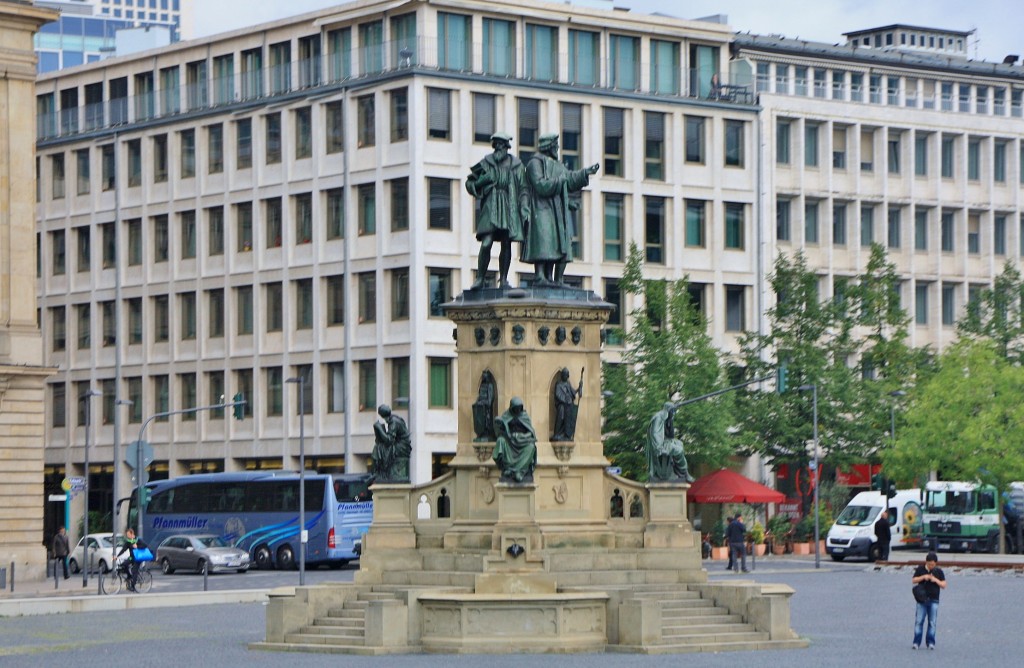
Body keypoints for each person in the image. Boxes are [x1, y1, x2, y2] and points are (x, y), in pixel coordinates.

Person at [523, 133, 599, 286]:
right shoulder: (534, 163)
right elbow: (540, 186)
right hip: (541, 209)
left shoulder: (557, 165)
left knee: (555, 243)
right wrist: (560, 180)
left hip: (556, 210)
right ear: (549, 146)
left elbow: (569, 179)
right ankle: (540, 276)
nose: (557, 148)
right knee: (543, 241)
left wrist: (585, 173)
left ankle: (550, 278)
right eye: (555, 145)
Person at [465, 132, 530, 290]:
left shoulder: (516, 165)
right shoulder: (486, 162)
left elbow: (523, 189)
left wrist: (524, 207)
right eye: (497, 144)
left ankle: (504, 279)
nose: (499, 147)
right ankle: (480, 278)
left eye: (502, 144)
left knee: (506, 243)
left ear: (507, 146)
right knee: (486, 242)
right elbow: (470, 183)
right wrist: (480, 182)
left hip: (509, 205)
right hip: (491, 204)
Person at [645, 402, 696, 483]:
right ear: (668, 410)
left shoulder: (667, 417)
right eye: (673, 411)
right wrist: (660, 449)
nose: (674, 413)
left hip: (665, 441)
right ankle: (684, 473)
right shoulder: (658, 417)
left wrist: (670, 420)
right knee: (678, 450)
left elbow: (670, 435)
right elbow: (655, 434)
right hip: (659, 445)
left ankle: (680, 471)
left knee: (679, 443)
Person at [492, 397, 537, 483]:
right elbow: (499, 431)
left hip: (523, 442)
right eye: (515, 408)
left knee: (531, 447)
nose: (517, 410)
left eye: (519, 408)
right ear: (511, 407)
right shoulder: (506, 415)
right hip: (509, 441)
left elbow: (531, 432)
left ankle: (520, 472)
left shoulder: (525, 417)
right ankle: (508, 469)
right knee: (500, 440)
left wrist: (522, 436)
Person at [911, 551, 947, 649]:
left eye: (933, 564)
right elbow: (914, 580)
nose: (931, 566)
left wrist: (935, 580)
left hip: (934, 599)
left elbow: (944, 585)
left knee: (932, 622)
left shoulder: (938, 571)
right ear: (926, 562)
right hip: (922, 599)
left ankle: (931, 642)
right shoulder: (920, 569)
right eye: (930, 564)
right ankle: (916, 642)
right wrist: (924, 577)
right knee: (919, 621)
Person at [372, 404, 412, 482]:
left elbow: (389, 440)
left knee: (379, 448)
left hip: (402, 446)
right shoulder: (394, 418)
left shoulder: (393, 422)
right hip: (400, 443)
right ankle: (380, 473)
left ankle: (381, 473)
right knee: (379, 447)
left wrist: (379, 428)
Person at [551, 368, 582, 441]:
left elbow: (573, 392)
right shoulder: (558, 384)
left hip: (568, 406)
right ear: (562, 375)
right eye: (564, 375)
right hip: (562, 405)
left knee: (570, 416)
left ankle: (566, 434)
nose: (566, 376)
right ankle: (557, 434)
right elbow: (558, 395)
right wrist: (565, 400)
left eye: (567, 375)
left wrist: (579, 388)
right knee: (561, 415)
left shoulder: (568, 384)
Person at [115, 528, 148, 592]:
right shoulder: (128, 541)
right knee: (123, 564)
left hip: (138, 558)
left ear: (132, 534)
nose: (127, 536)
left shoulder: (137, 540)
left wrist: (137, 547)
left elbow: (145, 545)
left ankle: (133, 586)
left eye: (128, 534)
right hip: (131, 558)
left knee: (134, 570)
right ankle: (129, 576)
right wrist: (117, 556)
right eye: (127, 535)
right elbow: (123, 549)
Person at [472, 370, 497, 442]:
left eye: (484, 376)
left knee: (486, 421)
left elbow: (490, 400)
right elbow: (479, 396)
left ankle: (487, 433)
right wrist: (477, 402)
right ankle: (480, 433)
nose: (483, 378)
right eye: (483, 376)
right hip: (480, 406)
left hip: (486, 409)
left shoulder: (490, 386)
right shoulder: (482, 385)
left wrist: (482, 403)